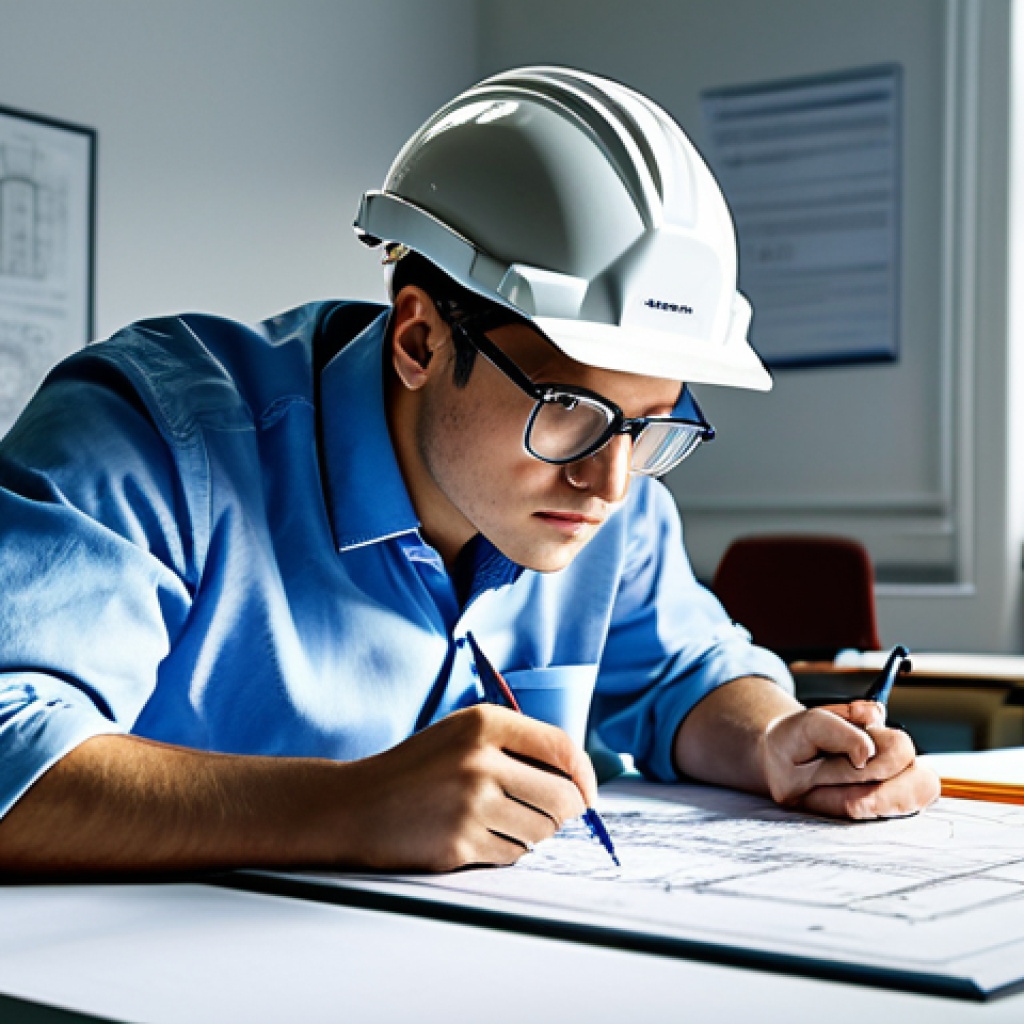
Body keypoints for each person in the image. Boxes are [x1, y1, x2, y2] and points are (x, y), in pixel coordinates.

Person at [0, 67, 938, 875]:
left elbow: (686, 676)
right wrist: (349, 810)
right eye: (566, 406)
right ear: (419, 339)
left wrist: (775, 738)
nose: (612, 483)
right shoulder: (150, 440)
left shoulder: (612, 494)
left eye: (651, 423)